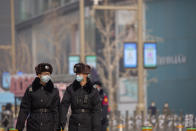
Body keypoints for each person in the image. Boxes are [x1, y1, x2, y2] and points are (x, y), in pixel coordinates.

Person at [16, 63, 60, 131]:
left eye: (48, 74)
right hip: (33, 125)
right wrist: (19, 127)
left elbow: (56, 111)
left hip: (49, 125)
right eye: (45, 74)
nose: (47, 76)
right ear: (39, 75)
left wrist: (57, 128)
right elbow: (24, 110)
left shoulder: (54, 91)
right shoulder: (31, 90)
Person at [60, 63, 102, 131]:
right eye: (76, 73)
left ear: (86, 74)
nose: (77, 75)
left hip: (88, 125)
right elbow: (64, 105)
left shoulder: (93, 91)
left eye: (79, 73)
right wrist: (62, 122)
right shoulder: (71, 89)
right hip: (74, 124)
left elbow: (97, 110)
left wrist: (96, 127)